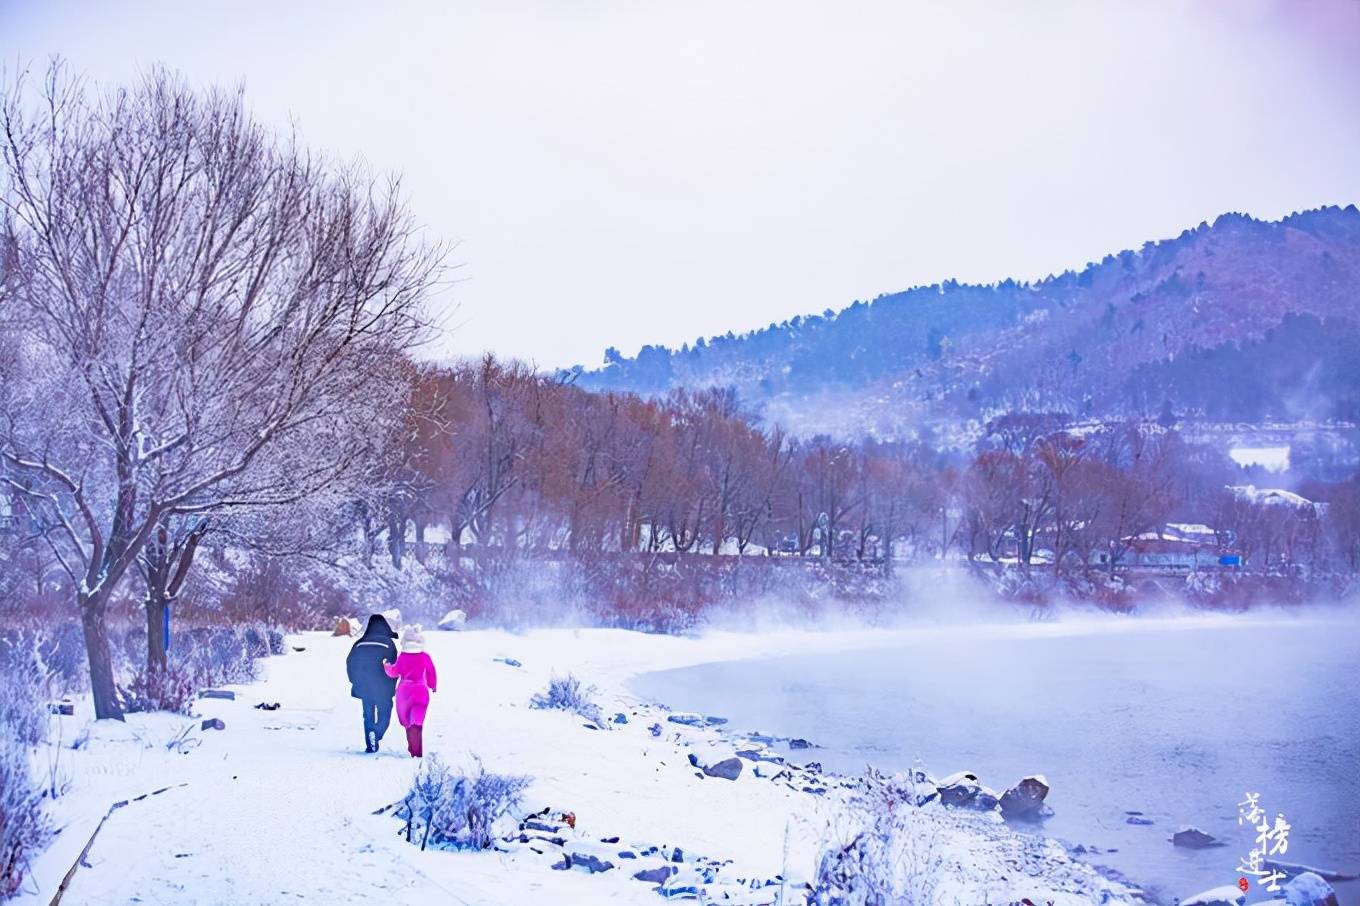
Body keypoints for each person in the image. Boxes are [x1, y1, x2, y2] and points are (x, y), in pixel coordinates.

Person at [346, 614, 399, 753]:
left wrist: (355, 681)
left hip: (364, 686)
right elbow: (395, 665)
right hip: (383, 687)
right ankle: (377, 732)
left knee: (368, 714)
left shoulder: (359, 643)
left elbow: (350, 663)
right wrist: (392, 683)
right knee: (385, 712)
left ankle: (371, 744)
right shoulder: (388, 643)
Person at [383, 625, 438, 758]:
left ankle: (413, 748)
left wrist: (386, 666)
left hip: (405, 691)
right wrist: (432, 685)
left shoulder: (403, 656)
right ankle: (416, 750)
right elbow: (431, 672)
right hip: (421, 690)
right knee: (417, 721)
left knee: (407, 720)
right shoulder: (425, 657)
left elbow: (394, 672)